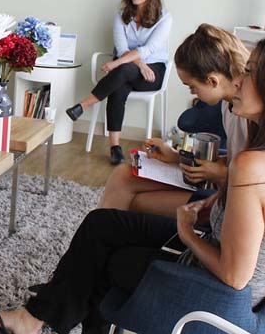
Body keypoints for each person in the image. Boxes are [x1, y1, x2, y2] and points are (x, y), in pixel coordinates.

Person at [0, 39, 265, 334]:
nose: (238, 81)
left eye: (249, 74)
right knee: (102, 225)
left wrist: (187, 231)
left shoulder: (252, 163)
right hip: (219, 263)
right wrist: (214, 203)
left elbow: (235, 276)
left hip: (222, 298)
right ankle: (44, 327)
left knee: (109, 261)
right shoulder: (253, 146)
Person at [98, 25, 249, 217]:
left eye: (192, 87)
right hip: (223, 183)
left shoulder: (249, 112)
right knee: (122, 174)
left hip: (235, 201)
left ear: (212, 81)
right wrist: (177, 157)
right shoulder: (228, 105)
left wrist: (221, 175)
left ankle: (103, 237)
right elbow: (234, 159)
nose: (192, 92)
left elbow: (253, 180)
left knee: (135, 202)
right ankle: (99, 237)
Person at [66, 0, 172, 165]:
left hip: (153, 71)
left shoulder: (164, 18)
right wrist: (136, 63)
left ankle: (84, 104)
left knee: (121, 72)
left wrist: (117, 63)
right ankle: (115, 147)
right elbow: (122, 49)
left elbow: (149, 49)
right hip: (128, 68)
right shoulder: (121, 16)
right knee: (120, 84)